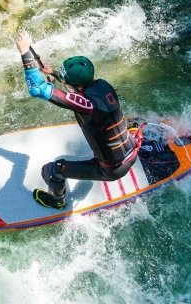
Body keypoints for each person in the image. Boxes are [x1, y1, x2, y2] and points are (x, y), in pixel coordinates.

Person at [15, 31, 139, 210]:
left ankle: (57, 201)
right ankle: (134, 130)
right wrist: (54, 74)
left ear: (78, 87)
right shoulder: (103, 85)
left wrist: (25, 52)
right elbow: (78, 90)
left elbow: (38, 89)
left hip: (110, 169)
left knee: (51, 171)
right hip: (132, 149)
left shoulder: (87, 105)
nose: (65, 85)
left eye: (67, 83)